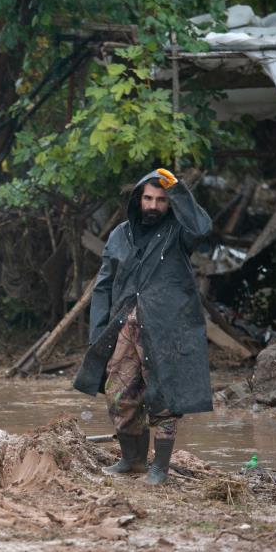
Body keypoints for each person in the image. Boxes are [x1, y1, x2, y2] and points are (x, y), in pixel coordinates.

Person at [73, 167, 212, 485]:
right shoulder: (120, 234)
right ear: (138, 199)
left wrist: (178, 189)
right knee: (118, 394)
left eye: (161, 199)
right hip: (124, 324)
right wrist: (98, 331)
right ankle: (132, 460)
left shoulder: (179, 231)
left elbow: (203, 228)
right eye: (148, 198)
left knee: (164, 397)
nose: (153, 205)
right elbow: (103, 285)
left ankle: (159, 468)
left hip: (166, 327)